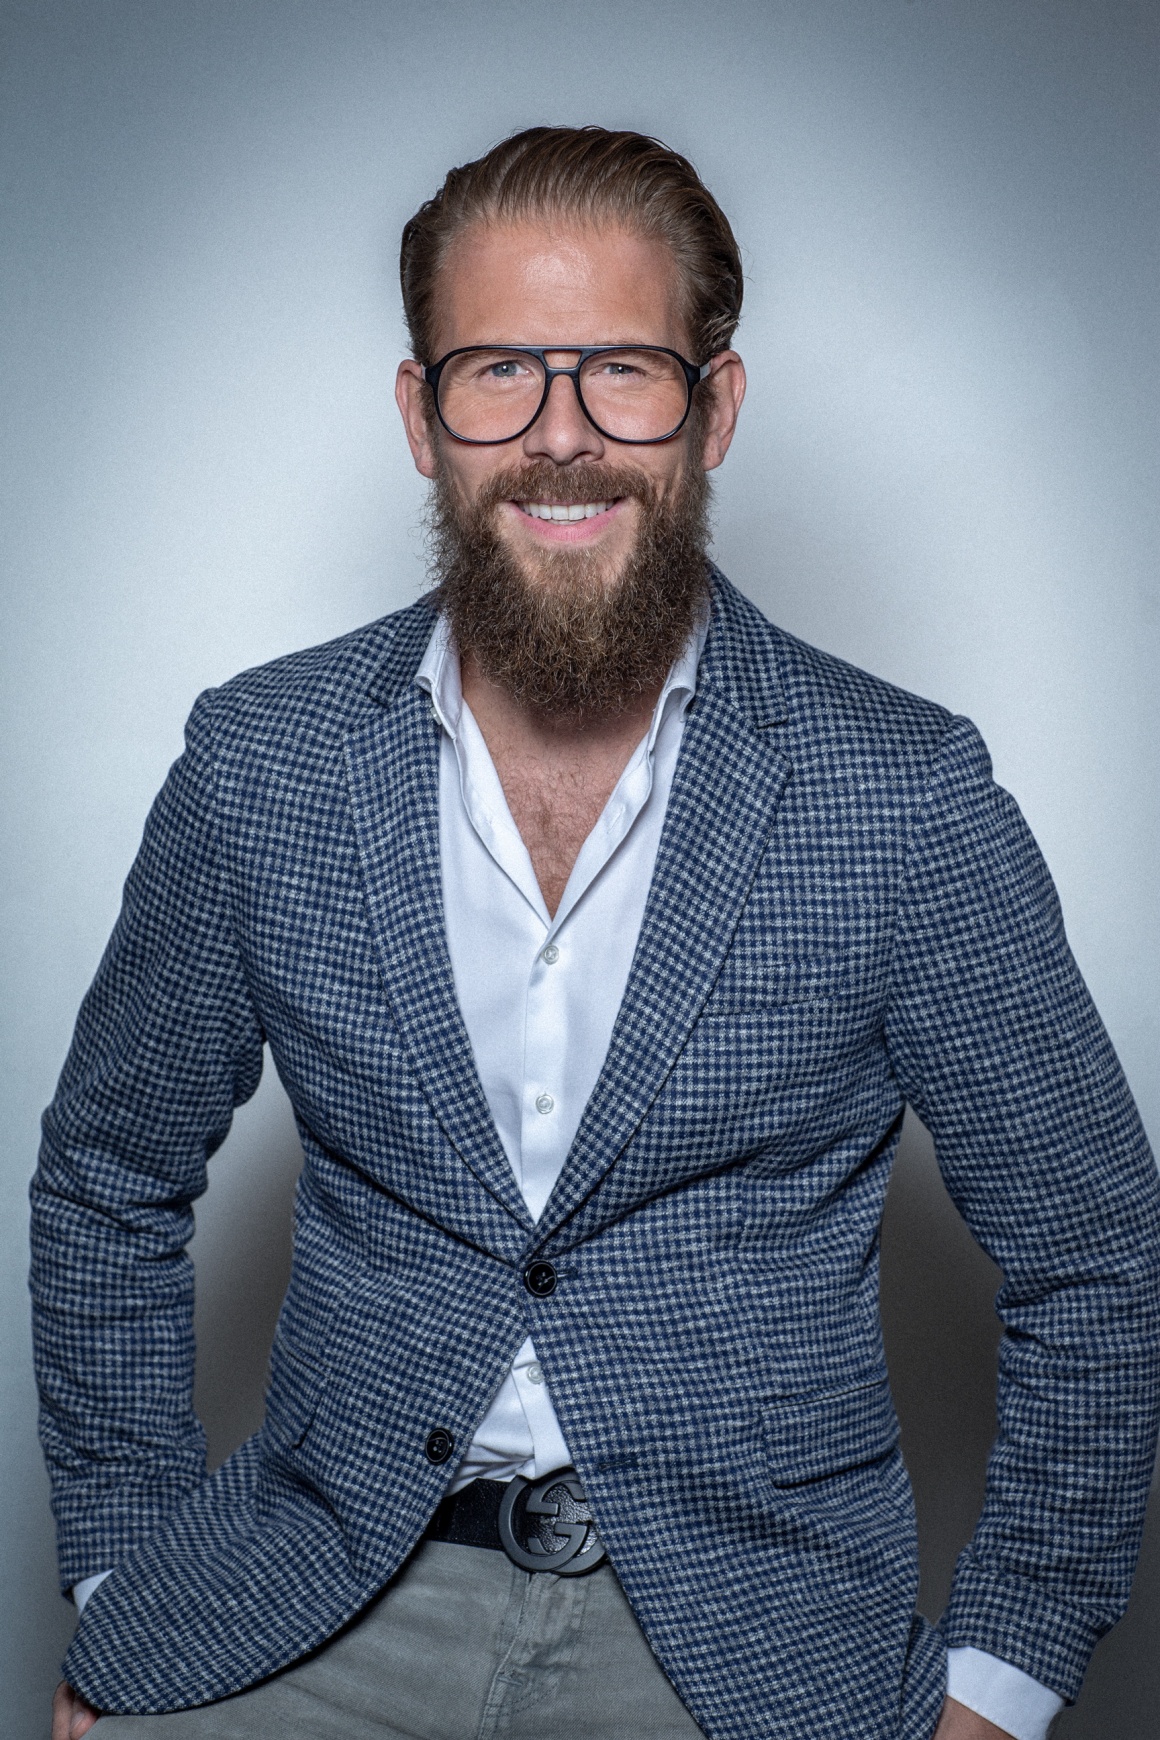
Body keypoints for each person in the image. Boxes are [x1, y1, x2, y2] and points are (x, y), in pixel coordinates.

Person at [35, 126, 1160, 1740]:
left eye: (624, 373)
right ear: (423, 418)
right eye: (499, 372)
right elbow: (107, 1180)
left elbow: (1096, 1252)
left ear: (716, 407)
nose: (562, 440)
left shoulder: (900, 796)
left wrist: (1003, 1681)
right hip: (308, 1600)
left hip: (751, 1640)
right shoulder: (260, 766)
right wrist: (124, 1586)